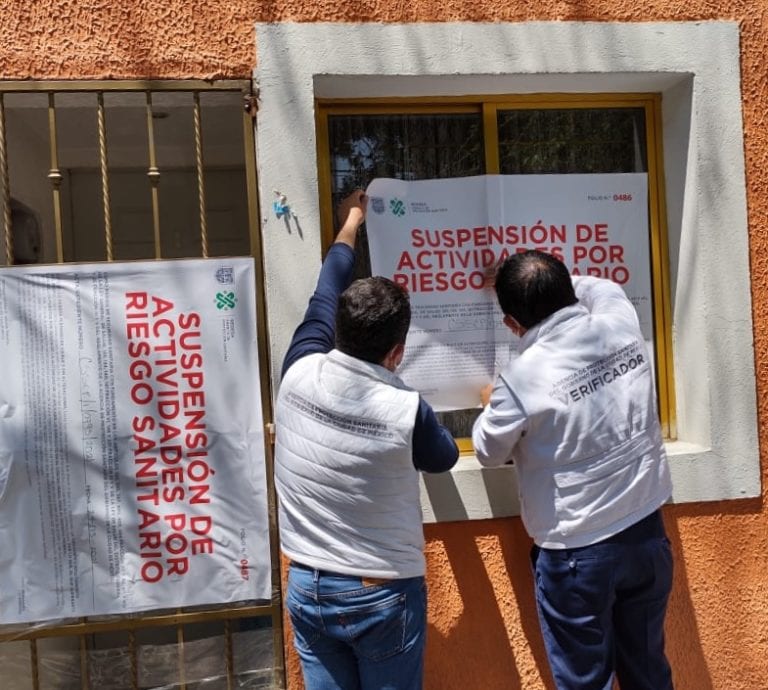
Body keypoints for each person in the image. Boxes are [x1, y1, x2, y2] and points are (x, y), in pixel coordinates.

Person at [274, 190, 459, 690]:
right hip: (381, 592)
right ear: (397, 352)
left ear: (335, 327)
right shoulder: (407, 409)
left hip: (308, 583)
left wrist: (351, 221)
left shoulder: (299, 369)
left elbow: (327, 283)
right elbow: (444, 456)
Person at [472, 250, 674, 690]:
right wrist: (540, 278)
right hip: (646, 535)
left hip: (577, 554)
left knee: (585, 682)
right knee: (649, 673)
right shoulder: (618, 321)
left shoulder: (520, 378)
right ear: (569, 289)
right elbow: (600, 286)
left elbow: (488, 451)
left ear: (512, 324)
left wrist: (489, 405)